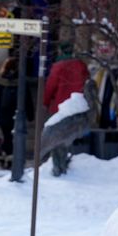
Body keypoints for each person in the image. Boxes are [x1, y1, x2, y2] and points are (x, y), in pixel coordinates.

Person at [43, 41, 90, 176]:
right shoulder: (81, 65)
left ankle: (59, 166)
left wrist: (45, 103)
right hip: (78, 106)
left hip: (60, 107)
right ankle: (68, 162)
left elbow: (50, 87)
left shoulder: (58, 67)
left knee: (58, 138)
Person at [0, 55, 34, 168]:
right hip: (15, 114)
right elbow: (27, 99)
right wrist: (30, 115)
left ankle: (4, 155)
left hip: (1, 114)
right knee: (12, 136)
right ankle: (10, 156)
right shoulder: (21, 82)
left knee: (4, 135)